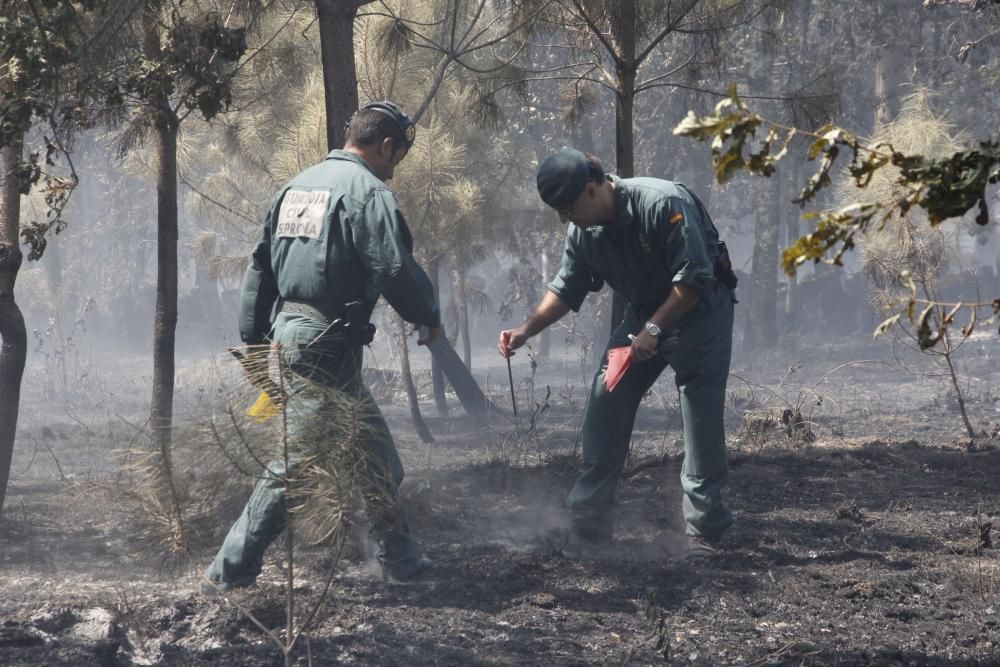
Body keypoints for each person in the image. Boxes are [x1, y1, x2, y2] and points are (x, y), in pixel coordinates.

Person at [203, 101, 442, 593]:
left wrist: (253, 342)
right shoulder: (367, 193)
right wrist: (428, 317)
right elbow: (395, 269)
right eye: (395, 161)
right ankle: (228, 571)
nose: (393, 172)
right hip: (325, 347)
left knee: (379, 461)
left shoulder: (294, 188)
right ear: (387, 146)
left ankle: (399, 561)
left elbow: (259, 271)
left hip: (297, 339)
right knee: (293, 465)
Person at [498, 148, 737, 557]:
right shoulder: (583, 229)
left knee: (698, 412)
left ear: (592, 190)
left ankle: (705, 532)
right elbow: (566, 287)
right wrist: (525, 330)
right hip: (643, 313)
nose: (565, 220)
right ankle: (589, 526)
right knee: (606, 397)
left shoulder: (662, 203)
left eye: (568, 209)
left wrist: (655, 329)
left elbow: (696, 277)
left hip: (699, 311)